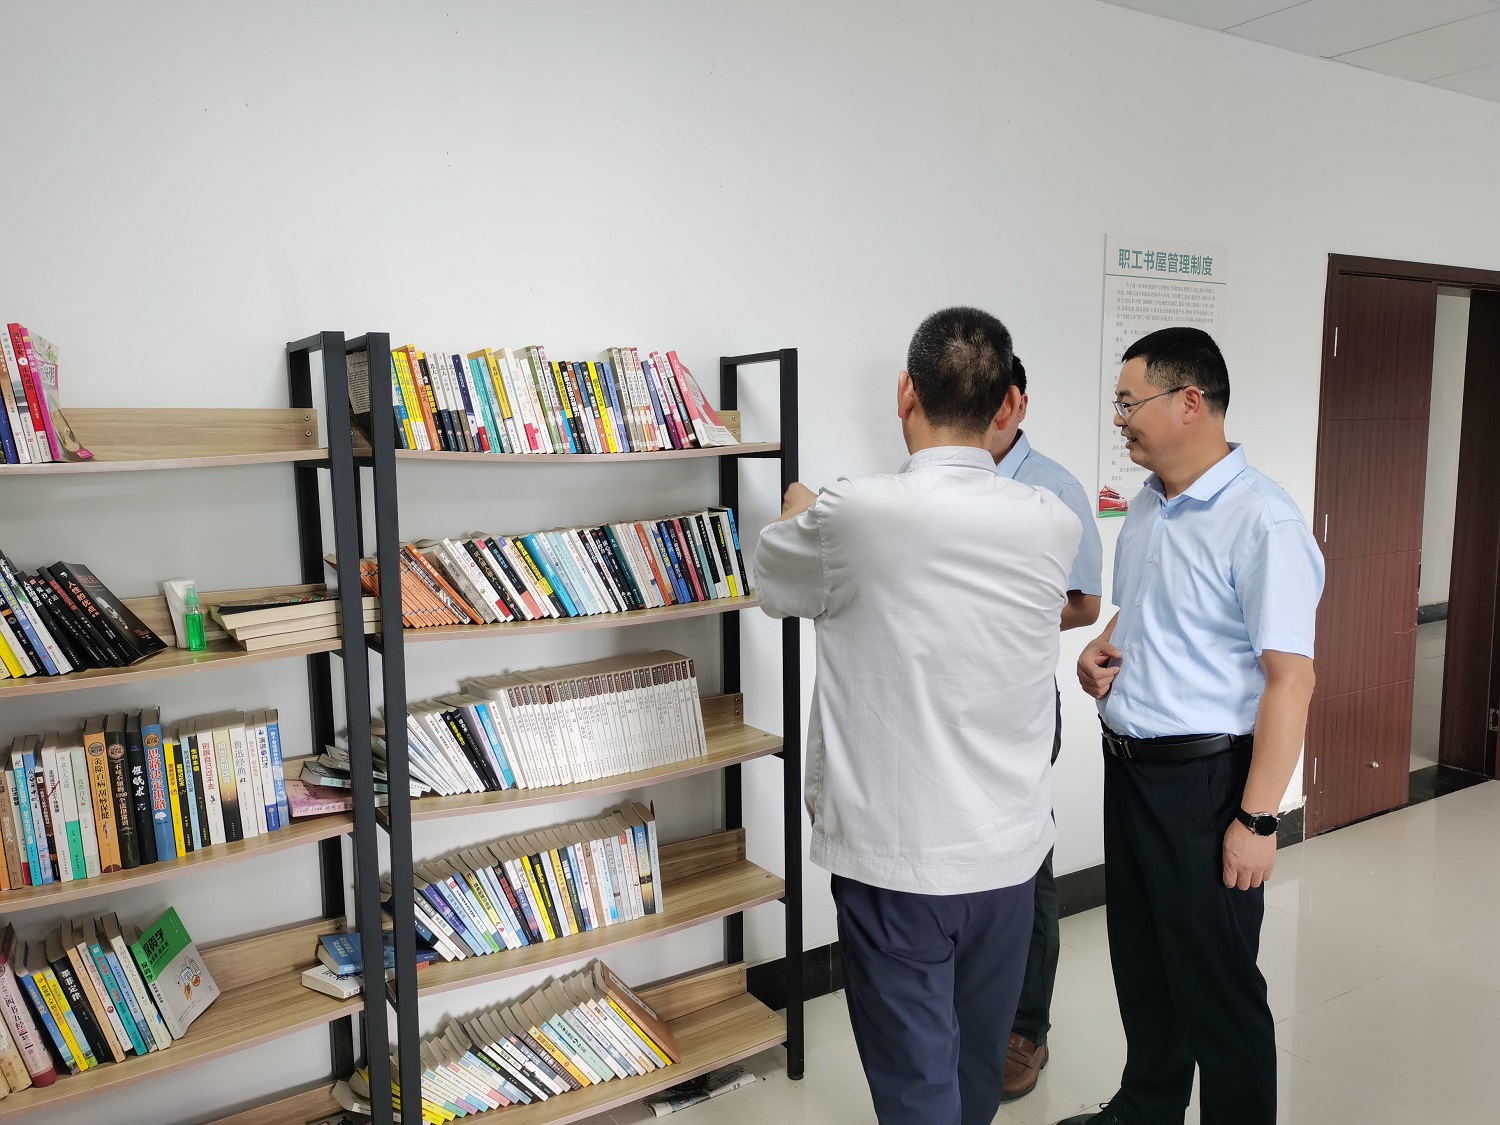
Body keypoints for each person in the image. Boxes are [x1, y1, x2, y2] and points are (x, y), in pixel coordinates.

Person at [755, 307, 1081, 1125]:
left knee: (916, 1087)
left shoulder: (851, 512)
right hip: (1009, 855)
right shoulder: (1053, 520)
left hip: (896, 860)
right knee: (974, 1072)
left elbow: (774, 581)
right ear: (1008, 405)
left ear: (906, 392)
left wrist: (798, 511)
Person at [1061, 327, 1323, 1125]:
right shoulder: (1149, 504)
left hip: (1206, 785)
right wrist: (1101, 652)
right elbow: (1144, 614)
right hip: (1131, 770)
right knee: (1144, 964)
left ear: (1190, 402)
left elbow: (1292, 679)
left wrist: (1258, 818)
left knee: (1218, 988)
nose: (1119, 420)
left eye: (1128, 403)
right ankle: (1147, 1107)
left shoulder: (1262, 520)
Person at [979, 356, 1103, 1102]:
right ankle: (977, 1014)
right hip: (948, 705)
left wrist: (1002, 614)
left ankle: (1026, 1027)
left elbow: (1086, 603)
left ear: (1015, 404)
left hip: (1021, 703)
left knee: (1029, 865)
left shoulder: (1054, 487)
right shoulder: (939, 480)